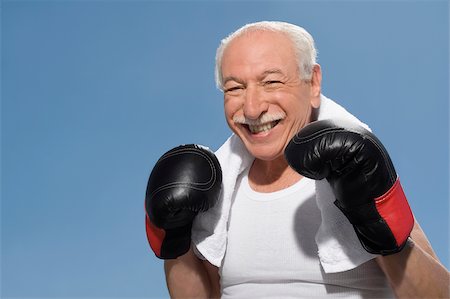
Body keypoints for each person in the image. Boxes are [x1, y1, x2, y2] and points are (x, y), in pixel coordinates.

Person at [145, 21, 450, 298]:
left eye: (271, 82)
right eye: (235, 88)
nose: (252, 109)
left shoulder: (353, 168)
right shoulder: (219, 185)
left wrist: (374, 224)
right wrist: (175, 241)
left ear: (313, 82)